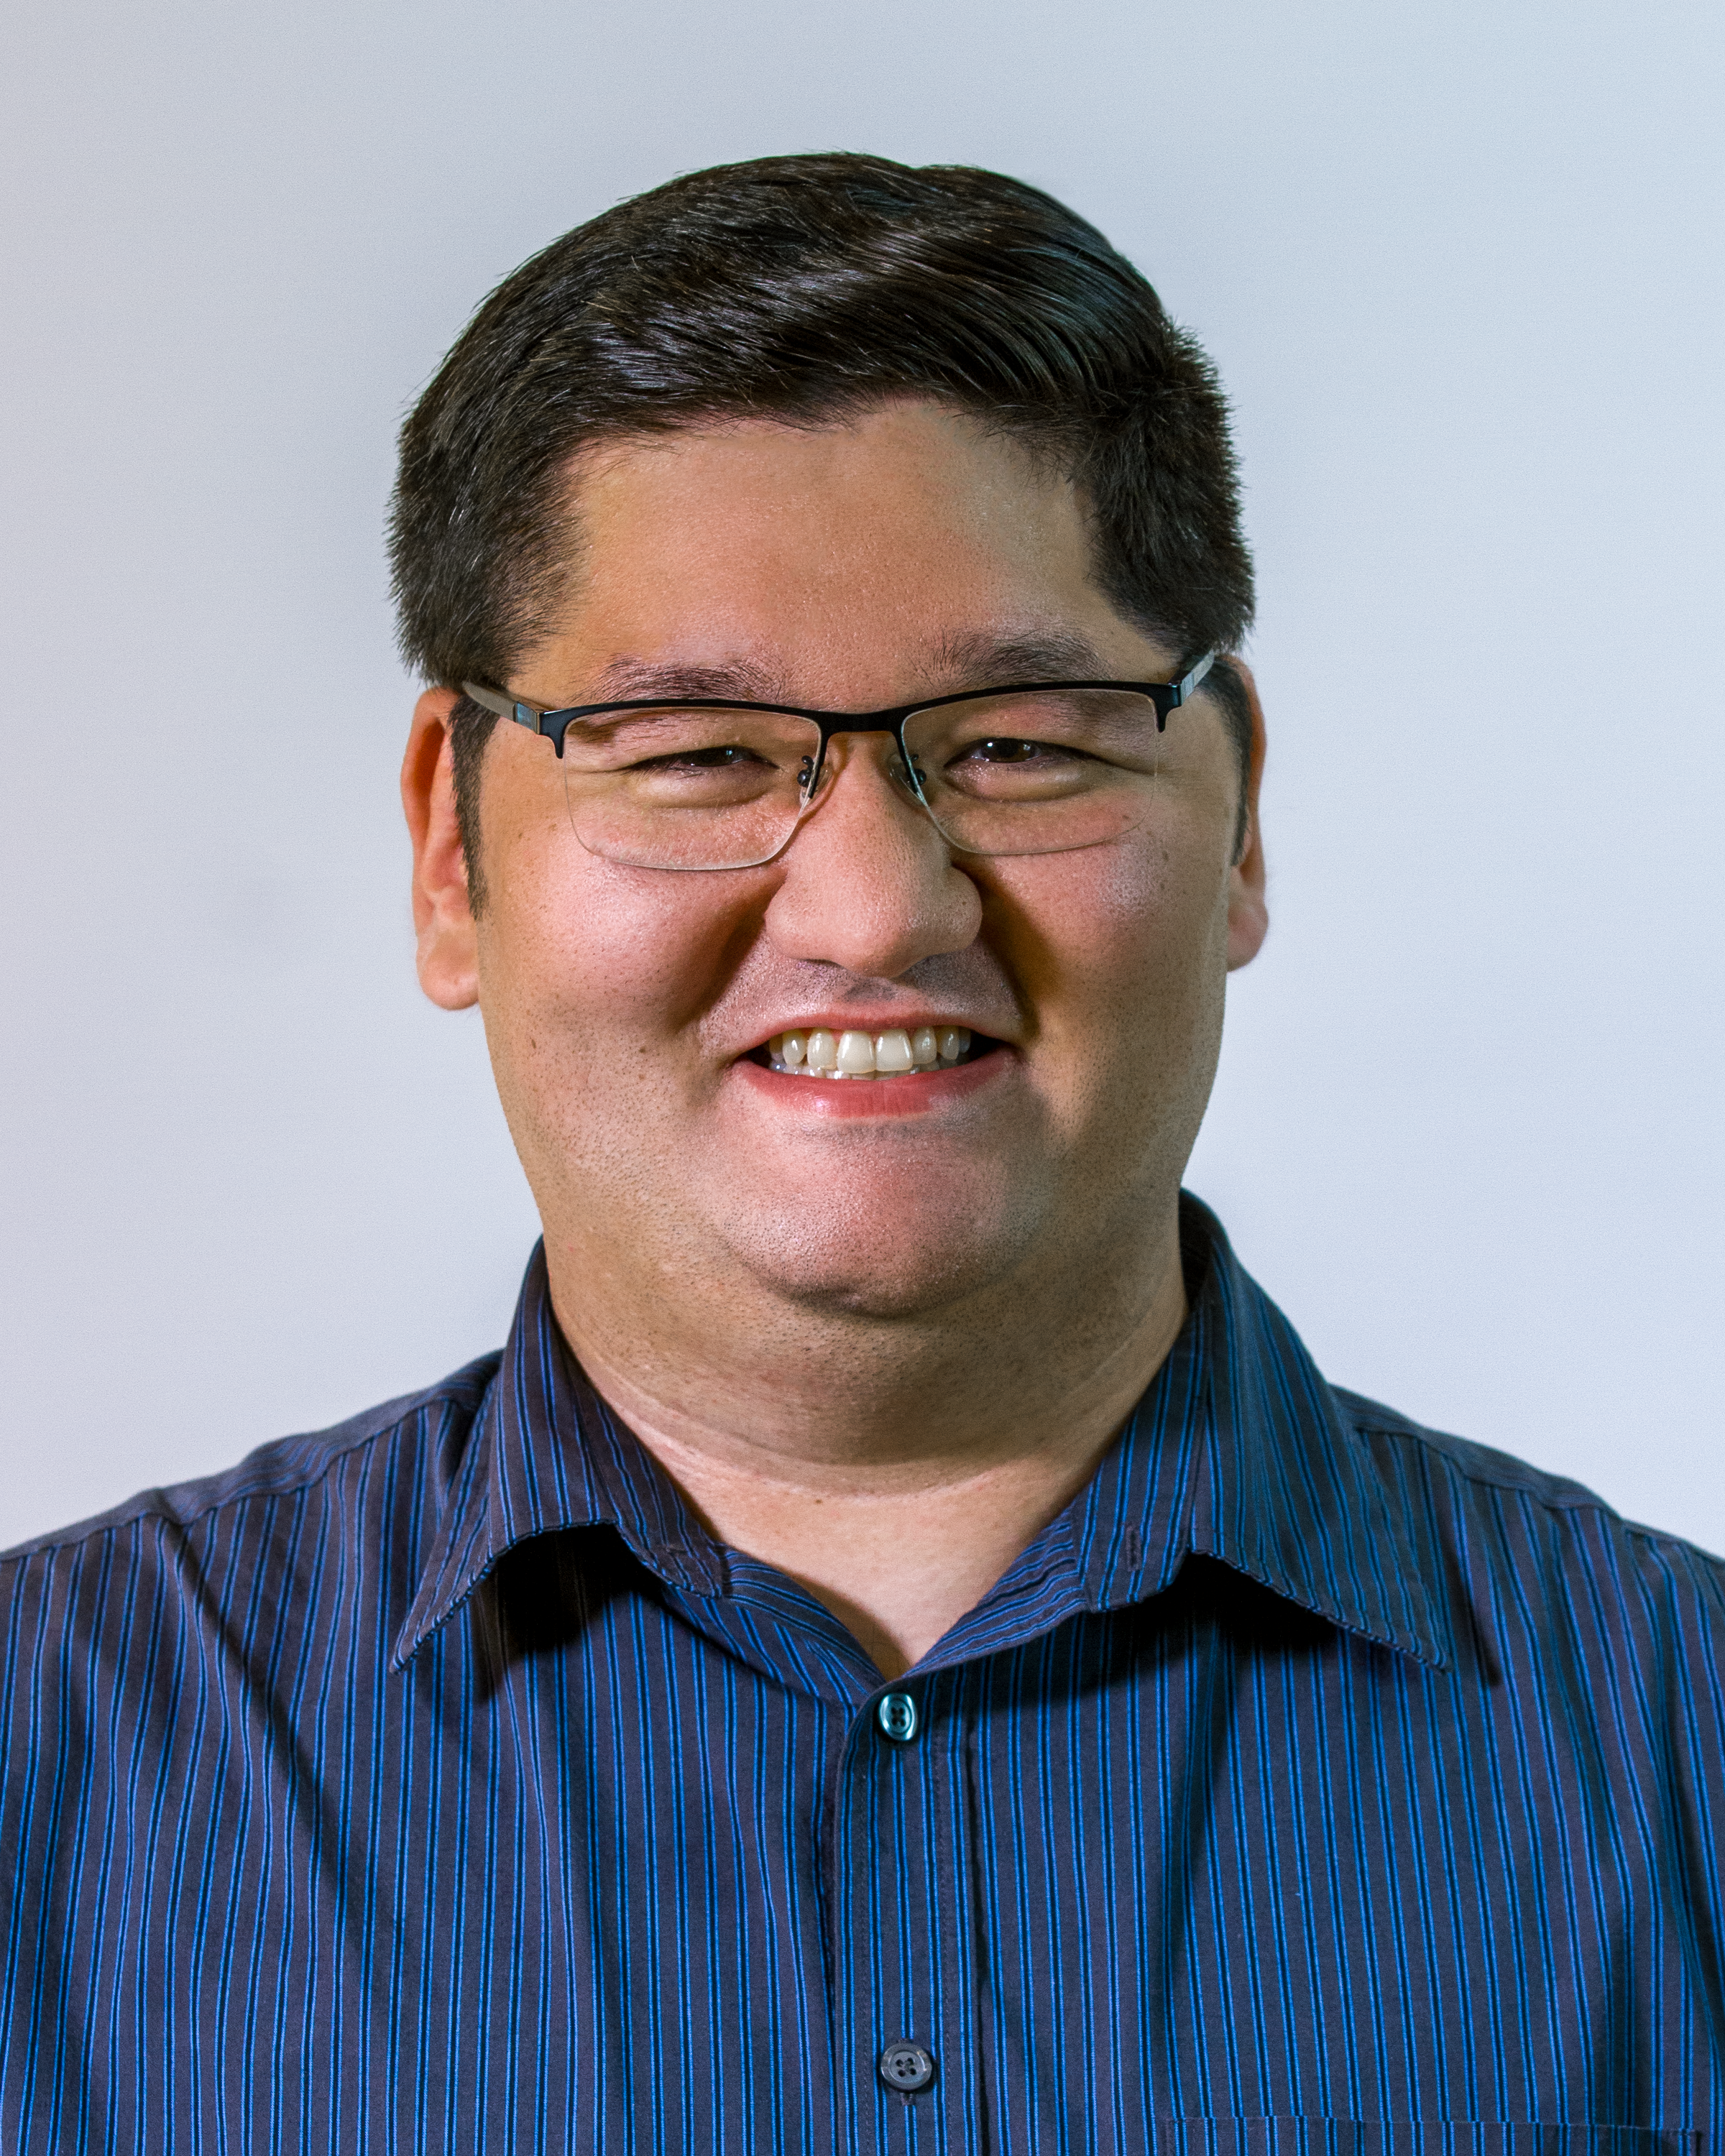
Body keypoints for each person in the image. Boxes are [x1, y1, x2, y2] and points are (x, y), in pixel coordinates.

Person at [1, 152, 1720, 2151]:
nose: (877, 908)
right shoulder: (49, 1765)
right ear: (449, 852)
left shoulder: (1684, 1757)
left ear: (1236, 813)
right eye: (700, 753)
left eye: (1016, 741)